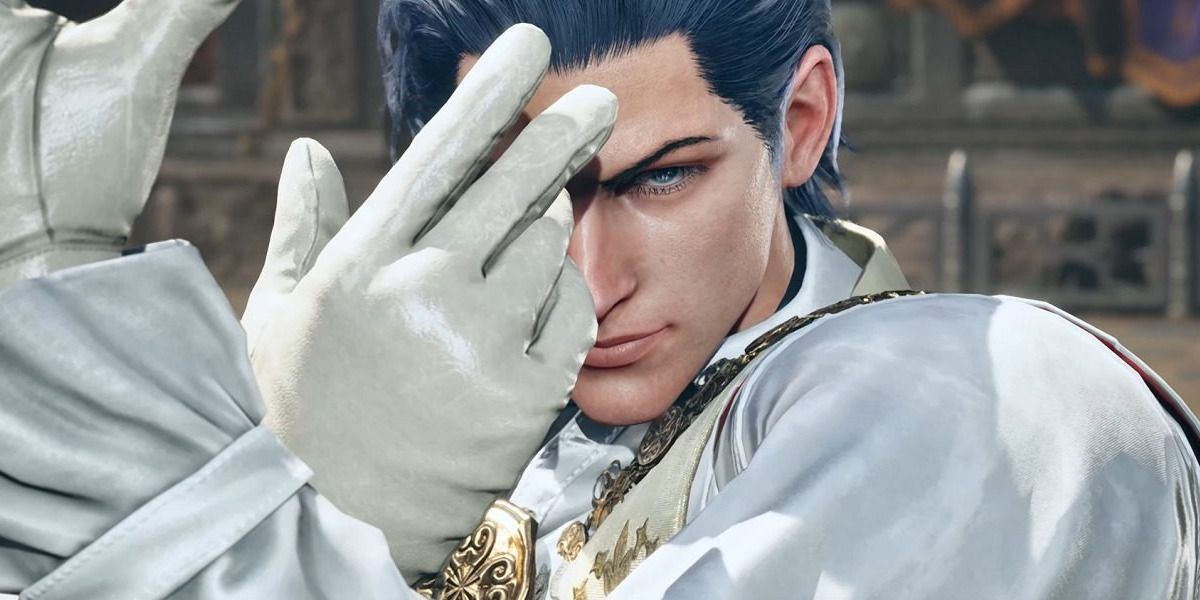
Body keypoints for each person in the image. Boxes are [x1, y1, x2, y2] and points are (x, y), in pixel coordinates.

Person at [1, 2, 1198, 600]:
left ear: (800, 122)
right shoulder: (497, 419)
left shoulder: (975, 400)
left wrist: (247, 500)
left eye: (661, 179)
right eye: (516, 195)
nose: (589, 279)